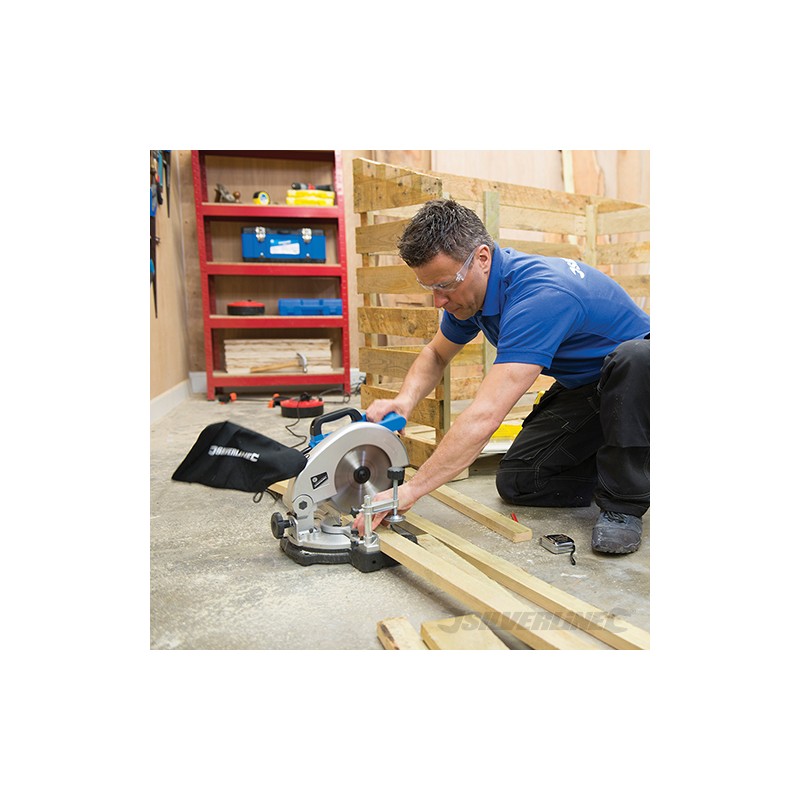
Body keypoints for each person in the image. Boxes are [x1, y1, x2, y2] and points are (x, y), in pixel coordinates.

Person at [354, 199, 650, 554]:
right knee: (521, 481)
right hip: (588, 388)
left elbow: (486, 415)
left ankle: (624, 503)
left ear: (482, 258)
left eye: (445, 285)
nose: (438, 301)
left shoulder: (540, 297)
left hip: (642, 387)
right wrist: (405, 401)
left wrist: (412, 490)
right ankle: (633, 464)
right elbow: (436, 353)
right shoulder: (470, 295)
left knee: (637, 358)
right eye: (429, 288)